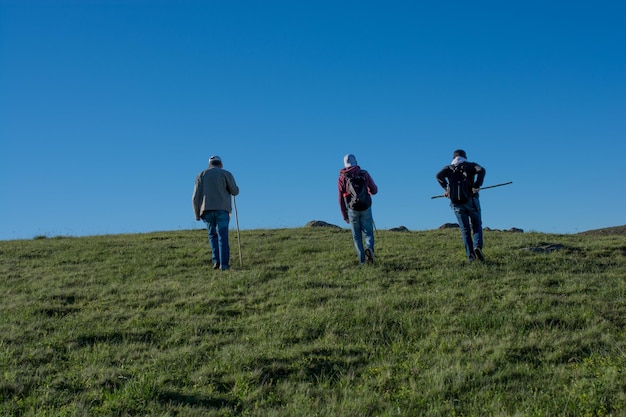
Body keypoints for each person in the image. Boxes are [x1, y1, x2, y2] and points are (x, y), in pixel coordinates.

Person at [436, 149, 486, 262]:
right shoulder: (470, 165)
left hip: (456, 204)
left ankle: (470, 257)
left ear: (453, 158)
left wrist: (446, 189)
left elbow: (438, 175)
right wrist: (476, 186)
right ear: (465, 157)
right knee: (477, 225)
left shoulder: (449, 168)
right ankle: (477, 246)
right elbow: (482, 170)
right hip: (471, 200)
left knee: (465, 230)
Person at [193, 155, 240, 270]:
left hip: (207, 210)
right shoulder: (226, 174)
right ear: (221, 164)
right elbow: (234, 191)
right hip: (222, 209)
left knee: (212, 235)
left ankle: (216, 261)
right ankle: (224, 265)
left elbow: (195, 196)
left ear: (209, 164)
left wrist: (197, 214)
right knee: (222, 236)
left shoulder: (201, 175)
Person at [338, 154, 378, 265]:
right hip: (366, 207)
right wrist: (369, 191)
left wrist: (344, 215)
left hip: (352, 210)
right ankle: (370, 250)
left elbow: (340, 198)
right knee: (368, 233)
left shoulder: (342, 177)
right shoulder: (364, 174)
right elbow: (374, 190)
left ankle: (362, 261)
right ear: (356, 161)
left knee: (356, 236)